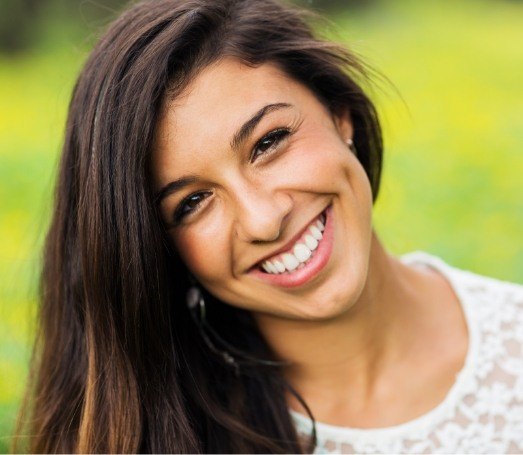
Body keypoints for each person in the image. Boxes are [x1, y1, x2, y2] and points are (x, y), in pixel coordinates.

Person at [17, 0, 523, 453]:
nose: (263, 219)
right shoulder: (159, 436)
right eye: (193, 202)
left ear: (339, 115)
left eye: (268, 143)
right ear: (158, 249)